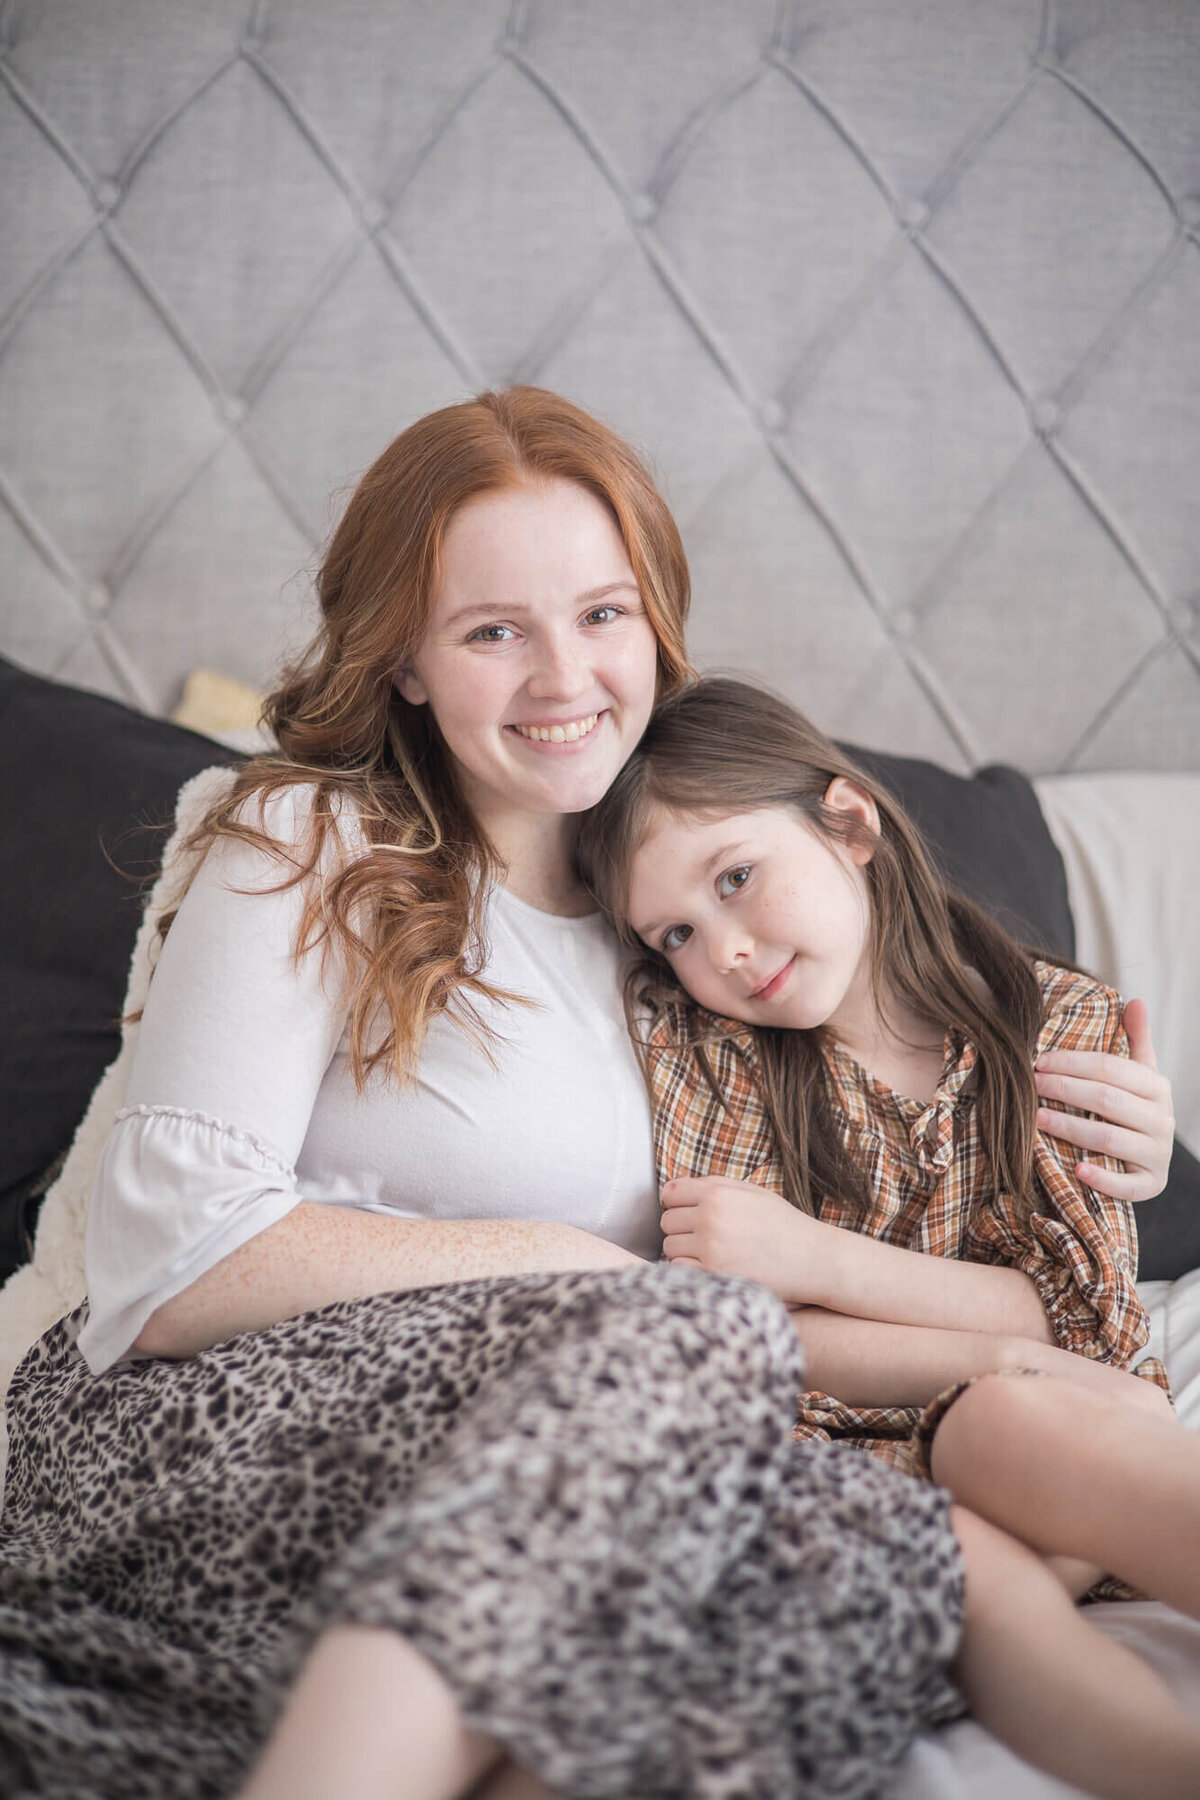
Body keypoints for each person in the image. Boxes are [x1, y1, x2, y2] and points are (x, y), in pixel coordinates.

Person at [0, 394, 1178, 1800]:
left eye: (603, 614)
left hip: (573, 1469)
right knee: (685, 1356)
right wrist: (585, 1281)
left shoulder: (692, 940)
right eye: (494, 630)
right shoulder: (314, 840)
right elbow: (164, 1251)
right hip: (197, 1439)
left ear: (657, 627)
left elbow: (936, 1161)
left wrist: (1132, 1147)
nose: (566, 676)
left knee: (872, 1570)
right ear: (408, 663)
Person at [577, 673, 1200, 1798]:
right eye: (676, 930)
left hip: (1058, 1430)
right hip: (846, 1473)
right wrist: (999, 1335)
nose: (722, 949)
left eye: (736, 877)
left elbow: (1085, 1318)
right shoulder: (708, 1050)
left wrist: (812, 1261)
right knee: (967, 1549)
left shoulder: (1049, 1023)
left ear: (849, 823)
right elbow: (751, 1337)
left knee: (1006, 1423)